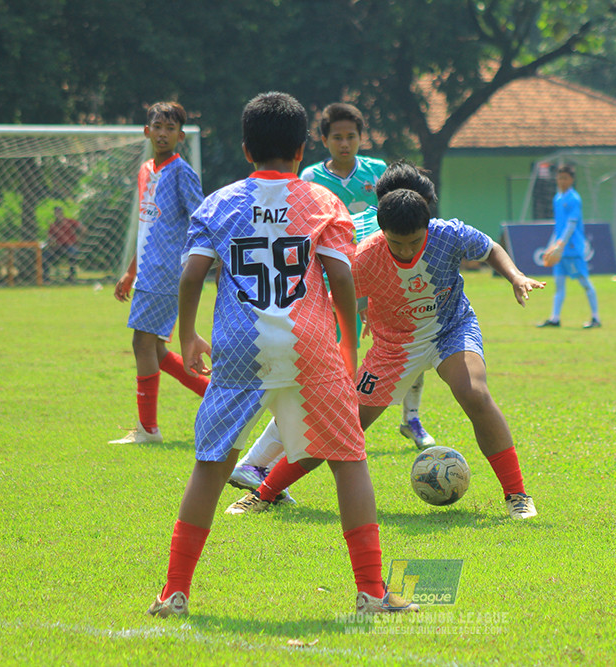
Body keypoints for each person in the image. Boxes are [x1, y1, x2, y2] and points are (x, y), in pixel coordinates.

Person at [146, 91, 418, 618]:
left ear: (247, 150)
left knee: (210, 466)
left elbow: (192, 273)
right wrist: (348, 341)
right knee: (349, 462)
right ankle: (371, 593)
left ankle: (174, 592)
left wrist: (188, 336)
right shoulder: (322, 201)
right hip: (310, 344)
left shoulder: (218, 203)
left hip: (238, 347)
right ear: (301, 150)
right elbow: (341, 277)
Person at [227, 164, 544, 520]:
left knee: (475, 393)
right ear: (383, 231)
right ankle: (264, 493)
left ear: (427, 226)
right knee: (342, 426)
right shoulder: (366, 257)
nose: (406, 251)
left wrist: (516, 276)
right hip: (394, 348)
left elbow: (490, 248)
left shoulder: (449, 234)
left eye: (414, 242)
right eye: (397, 243)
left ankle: (517, 495)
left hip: (451, 329)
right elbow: (335, 300)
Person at [225, 160, 441, 502]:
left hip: (294, 306)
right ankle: (255, 465)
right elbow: (351, 274)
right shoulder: (380, 231)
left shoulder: (363, 219)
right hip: (321, 311)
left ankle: (257, 465)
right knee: (327, 400)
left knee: (316, 395)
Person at [300, 102, 433, 450]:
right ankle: (334, 415)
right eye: (337, 137)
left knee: (411, 341)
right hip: (332, 278)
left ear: (361, 138)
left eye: (351, 136)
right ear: (324, 140)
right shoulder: (311, 179)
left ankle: (412, 418)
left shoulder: (377, 172)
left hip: (384, 272)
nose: (345, 144)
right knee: (336, 353)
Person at [110, 102, 209, 445]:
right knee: (156, 349)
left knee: (141, 342)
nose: (163, 133)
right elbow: (147, 227)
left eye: (170, 128)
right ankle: (217, 395)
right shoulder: (144, 170)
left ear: (180, 136)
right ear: (146, 131)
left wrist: (198, 265)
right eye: (157, 126)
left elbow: (201, 219)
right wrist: (130, 271)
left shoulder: (182, 172)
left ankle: (148, 430)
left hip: (168, 271)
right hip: (147, 272)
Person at [537, 165, 601, 329]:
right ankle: (555, 318)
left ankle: (595, 318)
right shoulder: (557, 198)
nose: (562, 181)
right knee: (559, 285)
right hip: (560, 249)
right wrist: (551, 246)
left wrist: (560, 244)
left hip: (572, 248)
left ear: (571, 180)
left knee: (584, 282)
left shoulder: (574, 199)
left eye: (565, 178)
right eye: (559, 178)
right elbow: (558, 226)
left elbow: (571, 225)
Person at [42, 207, 81, 282]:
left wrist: (79, 239)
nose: (58, 215)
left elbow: (82, 228)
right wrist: (51, 243)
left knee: (73, 252)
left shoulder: (70, 222)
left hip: (69, 245)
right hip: (58, 246)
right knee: (44, 256)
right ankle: (46, 277)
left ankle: (71, 276)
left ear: (62, 213)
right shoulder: (53, 225)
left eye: (59, 213)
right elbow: (50, 239)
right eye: (56, 213)